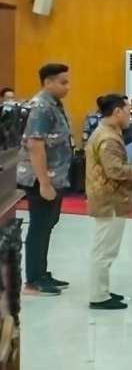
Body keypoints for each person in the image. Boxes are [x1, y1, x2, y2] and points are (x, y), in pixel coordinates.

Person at [84, 94, 132, 310]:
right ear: (117, 112)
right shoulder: (108, 138)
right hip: (109, 200)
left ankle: (102, 290)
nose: (129, 116)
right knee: (104, 250)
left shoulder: (108, 132)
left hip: (109, 197)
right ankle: (98, 296)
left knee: (106, 249)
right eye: (127, 111)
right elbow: (114, 170)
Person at [18, 63, 74, 296]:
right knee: (39, 228)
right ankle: (33, 279)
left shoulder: (54, 105)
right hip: (42, 179)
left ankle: (41, 272)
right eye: (63, 82)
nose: (67, 87)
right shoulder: (41, 107)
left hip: (55, 178)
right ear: (48, 82)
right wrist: (44, 183)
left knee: (47, 225)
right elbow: (35, 145)